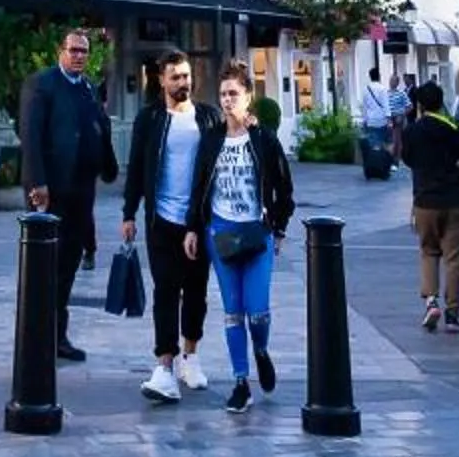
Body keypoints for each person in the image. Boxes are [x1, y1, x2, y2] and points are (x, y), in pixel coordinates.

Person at [185, 61, 296, 412]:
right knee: (233, 311)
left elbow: (283, 186)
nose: (228, 100)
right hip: (221, 232)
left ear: (249, 96)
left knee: (257, 311)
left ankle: (261, 349)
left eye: (234, 93)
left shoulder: (262, 139)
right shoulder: (212, 139)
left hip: (256, 232)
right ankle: (240, 382)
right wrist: (193, 227)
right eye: (223, 94)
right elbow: (199, 185)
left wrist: (278, 226)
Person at [19, 26, 117, 362]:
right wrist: (36, 183)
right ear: (61, 51)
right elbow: (30, 136)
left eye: (83, 52)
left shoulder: (88, 87)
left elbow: (97, 125)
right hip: (51, 190)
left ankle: (58, 335)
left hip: (82, 190)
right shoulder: (42, 83)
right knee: (45, 265)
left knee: (69, 265)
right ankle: (38, 337)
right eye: (73, 50)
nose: (78, 56)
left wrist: (106, 158)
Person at [120, 50, 214, 403]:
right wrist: (129, 213)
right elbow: (136, 167)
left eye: (186, 76)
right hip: (161, 221)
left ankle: (191, 355)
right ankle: (164, 366)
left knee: (196, 294)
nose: (182, 83)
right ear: (161, 80)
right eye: (175, 77)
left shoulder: (207, 117)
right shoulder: (150, 119)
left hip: (197, 223)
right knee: (164, 292)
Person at [399, 80, 459, 332]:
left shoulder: (412, 131)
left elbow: (407, 159)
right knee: (455, 258)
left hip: (425, 201)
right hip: (454, 200)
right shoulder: (453, 130)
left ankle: (431, 299)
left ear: (420, 104)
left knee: (428, 251)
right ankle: (453, 313)